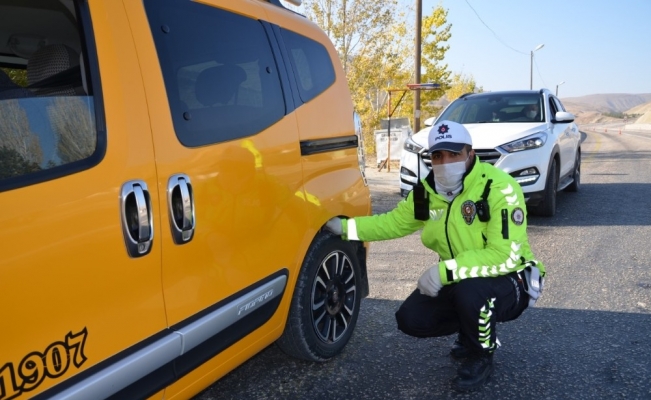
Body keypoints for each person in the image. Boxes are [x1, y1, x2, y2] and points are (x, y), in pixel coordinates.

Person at [325, 120, 545, 392]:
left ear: (470, 154)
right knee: (411, 318)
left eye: (454, 154)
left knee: (472, 293)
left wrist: (443, 272)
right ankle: (470, 329)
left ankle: (481, 354)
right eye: (438, 156)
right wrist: (346, 228)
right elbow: (393, 223)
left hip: (510, 279)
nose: (445, 162)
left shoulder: (499, 188)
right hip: (461, 277)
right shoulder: (426, 192)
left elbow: (505, 256)